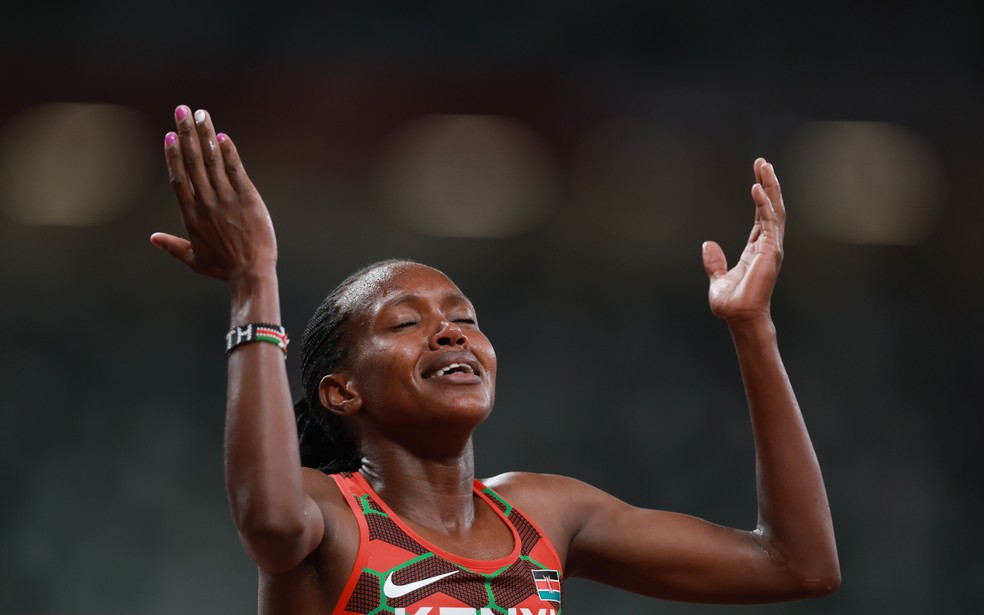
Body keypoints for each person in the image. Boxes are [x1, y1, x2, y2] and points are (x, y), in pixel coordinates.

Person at [151, 105, 840, 615]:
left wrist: (753, 331)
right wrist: (254, 283)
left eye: (464, 318)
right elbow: (267, 518)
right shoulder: (327, 515)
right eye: (405, 321)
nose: (450, 334)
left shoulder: (543, 512)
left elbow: (797, 564)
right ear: (341, 391)